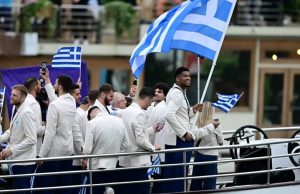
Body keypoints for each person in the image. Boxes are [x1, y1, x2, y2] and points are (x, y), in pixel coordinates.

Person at [162, 67, 202, 193]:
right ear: (177, 78)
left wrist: (193, 110)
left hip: (175, 139)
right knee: (178, 177)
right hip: (179, 140)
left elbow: (181, 115)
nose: (188, 78)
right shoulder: (177, 94)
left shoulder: (178, 92)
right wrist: (184, 133)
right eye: (184, 76)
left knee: (173, 175)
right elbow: (169, 115)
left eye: (189, 76)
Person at [38, 75, 77, 194]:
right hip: (68, 152)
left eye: (55, 83)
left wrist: (41, 155)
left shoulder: (55, 105)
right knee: (64, 188)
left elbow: (50, 133)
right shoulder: (72, 102)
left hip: (54, 154)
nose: (54, 85)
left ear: (59, 86)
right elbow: (56, 100)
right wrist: (48, 80)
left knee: (49, 188)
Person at [118, 87, 160, 194]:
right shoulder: (140, 113)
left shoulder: (125, 111)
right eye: (151, 101)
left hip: (125, 160)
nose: (151, 105)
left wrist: (151, 130)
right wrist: (153, 148)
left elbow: (132, 131)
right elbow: (140, 139)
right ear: (146, 99)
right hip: (137, 161)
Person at [83, 108, 129, 194]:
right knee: (110, 191)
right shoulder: (119, 121)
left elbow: (87, 150)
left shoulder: (91, 123)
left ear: (90, 116)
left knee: (95, 191)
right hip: (113, 165)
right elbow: (126, 145)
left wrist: (83, 150)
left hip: (96, 167)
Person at [0, 85, 37, 193]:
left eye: (14, 95)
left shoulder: (27, 113)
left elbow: (31, 139)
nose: (11, 97)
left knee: (22, 191)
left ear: (23, 98)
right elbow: (11, 131)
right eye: (11, 94)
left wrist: (11, 150)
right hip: (16, 160)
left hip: (24, 162)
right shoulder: (16, 109)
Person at [190, 101, 223, 191]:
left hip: (199, 155)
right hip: (211, 157)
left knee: (196, 183)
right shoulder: (215, 125)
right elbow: (221, 142)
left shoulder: (197, 123)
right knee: (209, 184)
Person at [146, 82, 169, 193]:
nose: (156, 93)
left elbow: (158, 128)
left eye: (160, 92)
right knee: (153, 176)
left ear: (165, 95)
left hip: (158, 147)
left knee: (157, 178)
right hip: (149, 145)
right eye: (155, 91)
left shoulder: (163, 108)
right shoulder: (151, 106)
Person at [23, 77, 45, 156]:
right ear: (35, 86)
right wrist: (46, 126)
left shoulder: (22, 101)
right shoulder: (33, 103)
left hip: (24, 149)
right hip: (33, 151)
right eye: (39, 84)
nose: (41, 86)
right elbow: (36, 130)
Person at [71, 96, 89, 193]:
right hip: (80, 158)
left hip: (76, 157)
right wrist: (84, 157)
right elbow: (79, 137)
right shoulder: (83, 115)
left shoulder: (76, 113)